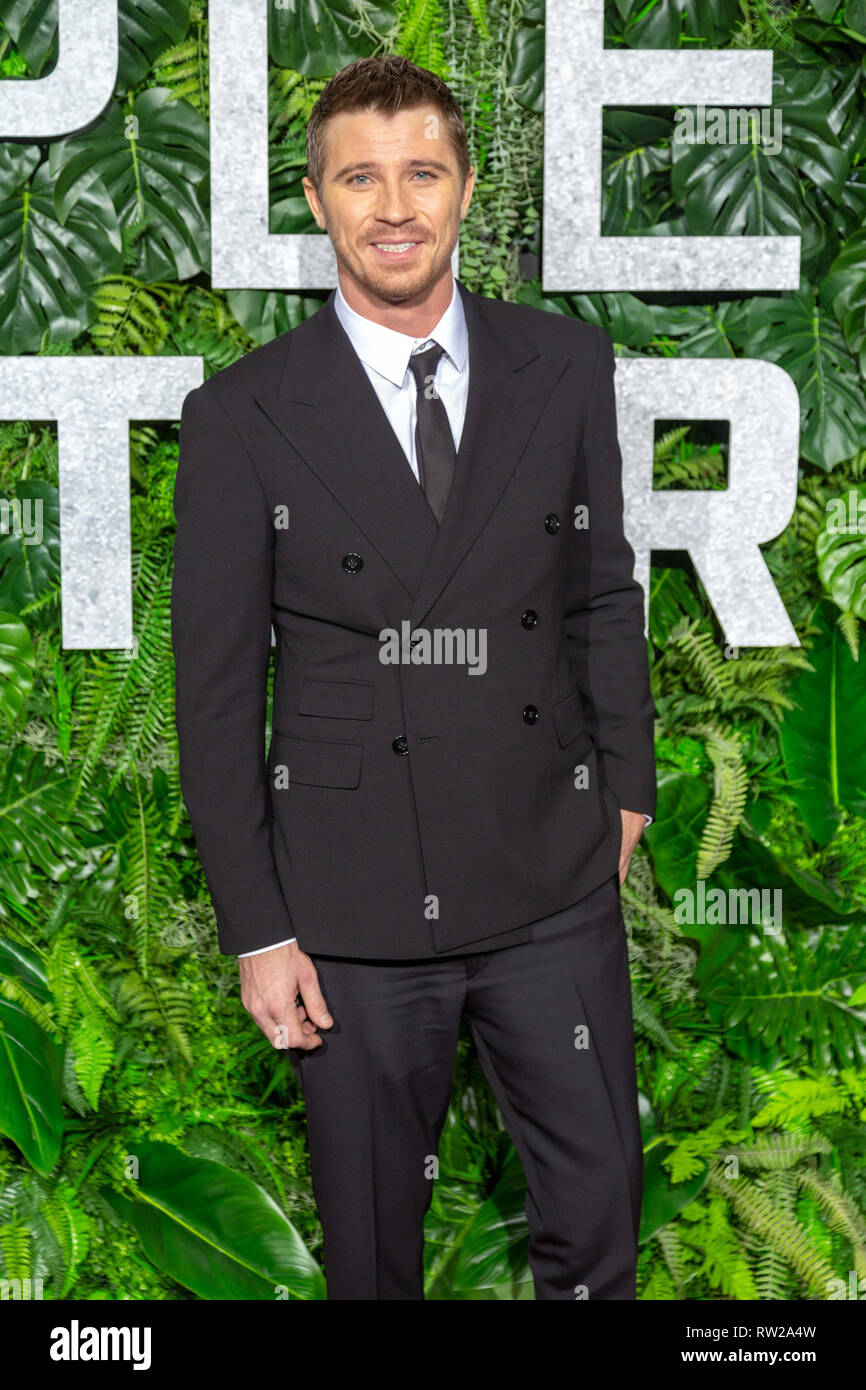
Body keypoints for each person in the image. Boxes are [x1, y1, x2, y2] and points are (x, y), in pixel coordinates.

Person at [171, 53, 656, 1300]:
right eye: (360, 178)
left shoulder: (565, 367)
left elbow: (602, 591)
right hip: (349, 912)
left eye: (421, 173)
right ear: (317, 200)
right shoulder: (242, 415)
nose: (394, 206)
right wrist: (258, 928)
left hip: (548, 880)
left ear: (465, 188)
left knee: (598, 1216)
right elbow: (219, 694)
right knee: (376, 1253)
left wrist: (629, 791)